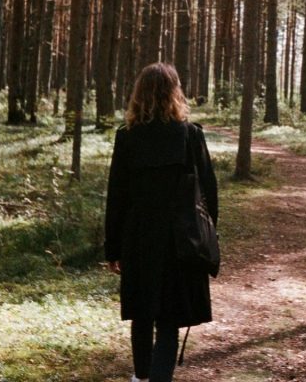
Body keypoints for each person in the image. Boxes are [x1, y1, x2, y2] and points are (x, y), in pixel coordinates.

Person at [104, 62, 218, 382]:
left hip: (138, 238)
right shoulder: (190, 135)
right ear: (175, 93)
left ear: (139, 95)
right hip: (179, 241)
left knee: (142, 315)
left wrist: (113, 248)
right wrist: (207, 238)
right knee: (168, 319)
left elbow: (117, 198)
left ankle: (143, 378)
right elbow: (209, 193)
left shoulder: (127, 138)